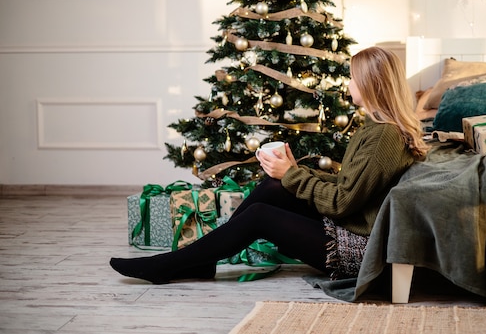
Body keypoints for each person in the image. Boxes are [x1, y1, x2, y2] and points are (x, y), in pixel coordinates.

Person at [110, 46, 430, 284]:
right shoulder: (378, 129)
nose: (348, 85)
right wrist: (294, 171)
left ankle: (172, 266)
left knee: (261, 214)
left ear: (372, 85)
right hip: (354, 226)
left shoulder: (384, 137)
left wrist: (292, 175)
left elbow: (342, 201)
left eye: (352, 78)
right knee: (271, 187)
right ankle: (198, 262)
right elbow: (349, 184)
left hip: (361, 250)